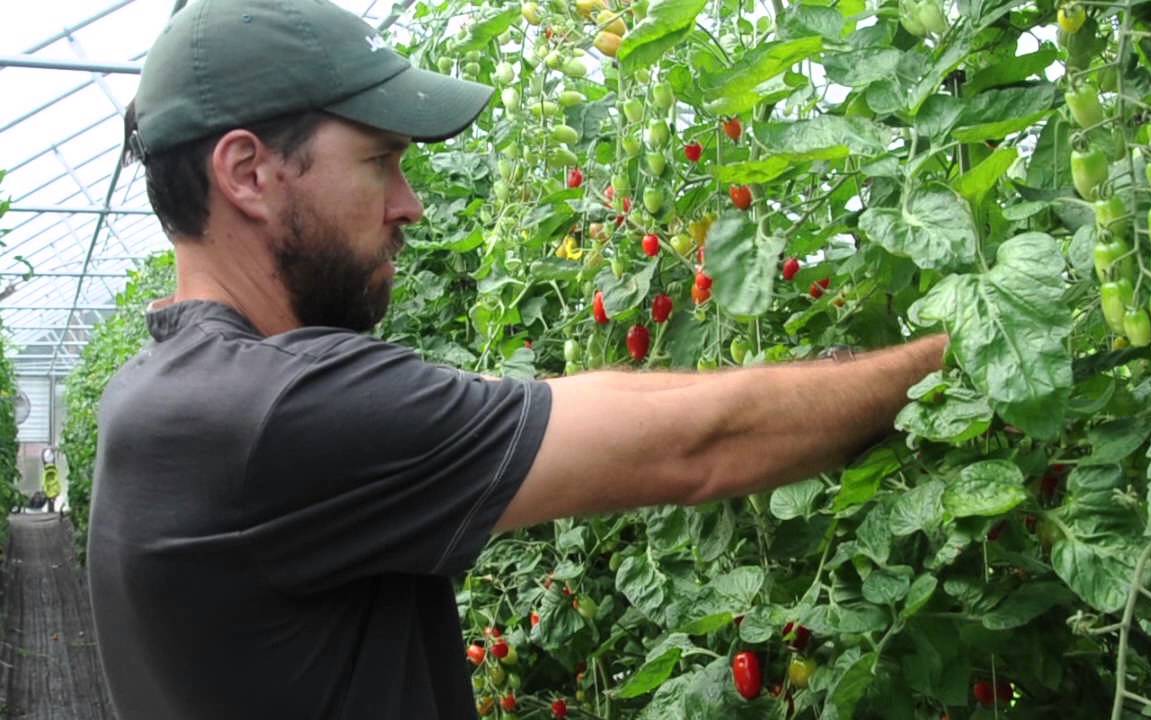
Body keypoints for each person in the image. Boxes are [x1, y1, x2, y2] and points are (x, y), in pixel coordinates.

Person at [86, 1, 948, 718]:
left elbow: (506, 405)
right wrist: (950, 352)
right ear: (248, 173)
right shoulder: (280, 413)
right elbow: (699, 444)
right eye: (380, 162)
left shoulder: (163, 393)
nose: (409, 205)